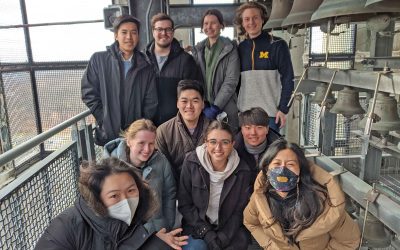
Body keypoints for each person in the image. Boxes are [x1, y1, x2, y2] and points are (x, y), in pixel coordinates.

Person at [35, 158, 188, 250]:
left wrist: (149, 239)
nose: (126, 201)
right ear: (98, 198)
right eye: (114, 195)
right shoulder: (67, 226)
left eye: (131, 191)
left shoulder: (134, 218)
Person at [243, 139, 361, 249]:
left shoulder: (322, 202)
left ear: (300, 170)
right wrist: (270, 245)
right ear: (267, 169)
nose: (282, 170)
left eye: (290, 164)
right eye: (277, 164)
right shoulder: (260, 199)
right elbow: (250, 222)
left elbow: (349, 240)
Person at [82, 15, 158, 146]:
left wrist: (139, 127)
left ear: (138, 36)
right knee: (110, 166)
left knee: (134, 166)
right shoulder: (98, 60)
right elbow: (88, 92)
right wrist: (104, 118)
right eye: (124, 32)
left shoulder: (146, 65)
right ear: (116, 35)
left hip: (135, 138)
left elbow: (151, 102)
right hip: (108, 135)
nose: (129, 37)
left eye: (134, 32)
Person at [178, 121, 252, 250]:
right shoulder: (191, 162)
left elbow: (239, 211)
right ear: (206, 142)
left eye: (224, 142)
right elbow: (185, 204)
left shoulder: (243, 171)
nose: (218, 148)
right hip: (197, 227)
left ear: (232, 144)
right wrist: (207, 234)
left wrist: (222, 238)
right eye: (213, 142)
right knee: (196, 247)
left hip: (228, 230)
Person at [103, 119, 176, 234]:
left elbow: (169, 194)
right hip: (127, 235)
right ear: (129, 142)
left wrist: (167, 225)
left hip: (158, 230)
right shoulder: (110, 168)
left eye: (151, 144)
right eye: (141, 143)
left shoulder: (161, 162)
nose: (147, 149)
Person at [234, 2, 294, 131]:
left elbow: (288, 79)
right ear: (243, 23)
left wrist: (284, 109)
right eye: (247, 19)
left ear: (262, 19)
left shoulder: (278, 45)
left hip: (270, 115)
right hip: (245, 114)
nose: (251, 22)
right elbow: (236, 82)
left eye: (255, 17)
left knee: (270, 151)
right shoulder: (240, 48)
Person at [145, 13, 200, 126]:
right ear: (153, 32)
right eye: (159, 29)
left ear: (173, 32)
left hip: (176, 125)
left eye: (168, 29)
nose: (164, 33)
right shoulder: (142, 60)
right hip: (147, 125)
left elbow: (193, 94)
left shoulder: (186, 61)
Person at [190, 9, 240, 131]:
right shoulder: (198, 50)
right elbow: (196, 79)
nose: (209, 26)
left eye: (213, 23)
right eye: (206, 23)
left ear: (221, 25)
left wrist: (216, 106)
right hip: (204, 108)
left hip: (226, 108)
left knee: (228, 142)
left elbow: (231, 81)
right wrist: (203, 103)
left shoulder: (230, 48)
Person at [156, 79, 210, 184]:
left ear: (203, 104)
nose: (189, 106)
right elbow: (162, 169)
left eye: (195, 101)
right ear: (177, 103)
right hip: (175, 189)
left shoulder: (215, 129)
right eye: (184, 101)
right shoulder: (163, 131)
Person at [234, 107, 280, 184]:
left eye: (259, 128)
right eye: (248, 128)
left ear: (267, 129)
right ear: (241, 129)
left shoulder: (280, 150)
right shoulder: (232, 150)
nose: (253, 133)